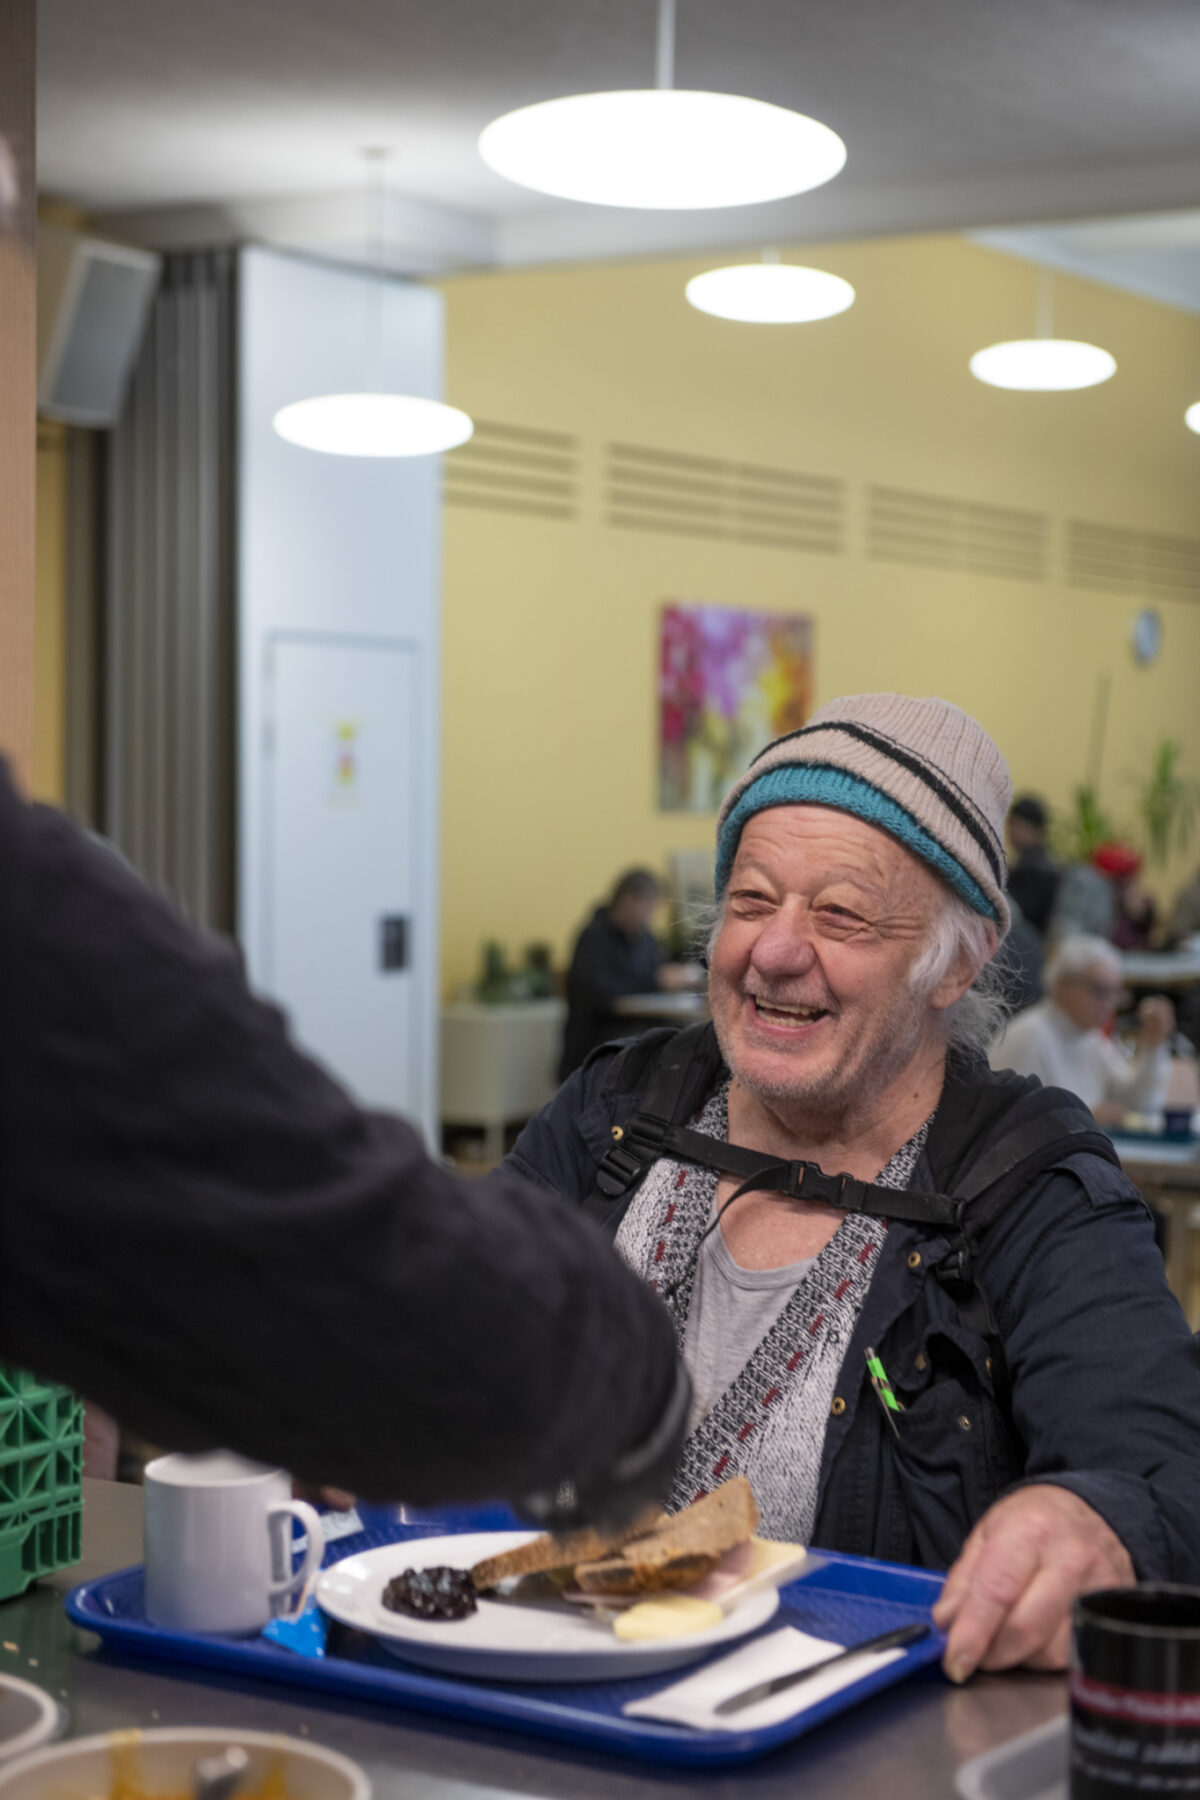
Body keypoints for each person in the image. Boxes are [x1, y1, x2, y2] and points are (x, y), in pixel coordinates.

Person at [506, 692, 1200, 1684]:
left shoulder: (1026, 1182)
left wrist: (1097, 1520)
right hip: (528, 1703)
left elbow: (1161, 1463)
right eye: (750, 901)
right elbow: (439, 1318)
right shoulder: (617, 1108)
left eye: (840, 914)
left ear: (955, 962)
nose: (775, 952)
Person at [0, 764, 687, 1529]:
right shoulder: (605, 1096)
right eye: (750, 899)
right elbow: (291, 1224)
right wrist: (610, 1366)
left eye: (840, 914)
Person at [989, 935, 1173, 1123]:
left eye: (1115, 992)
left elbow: (1136, 1103)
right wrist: (1085, 1117)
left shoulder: (1088, 1036)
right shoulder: (1028, 1036)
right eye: (1100, 990)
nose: (1110, 1004)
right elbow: (1012, 1121)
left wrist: (1154, 1045)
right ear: (1062, 985)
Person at [559, 868, 697, 1079]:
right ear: (627, 901)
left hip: (637, 1027)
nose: (650, 915)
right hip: (599, 1038)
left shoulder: (645, 938)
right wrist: (655, 980)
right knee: (659, 1045)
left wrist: (673, 977)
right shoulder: (593, 938)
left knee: (687, 1035)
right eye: (648, 907)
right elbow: (600, 992)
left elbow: (657, 969)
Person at [1005, 794, 1059, 938]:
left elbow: (1021, 913)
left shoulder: (1040, 870)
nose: (1012, 831)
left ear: (1038, 831)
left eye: (1019, 826)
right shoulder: (1023, 863)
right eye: (1011, 825)